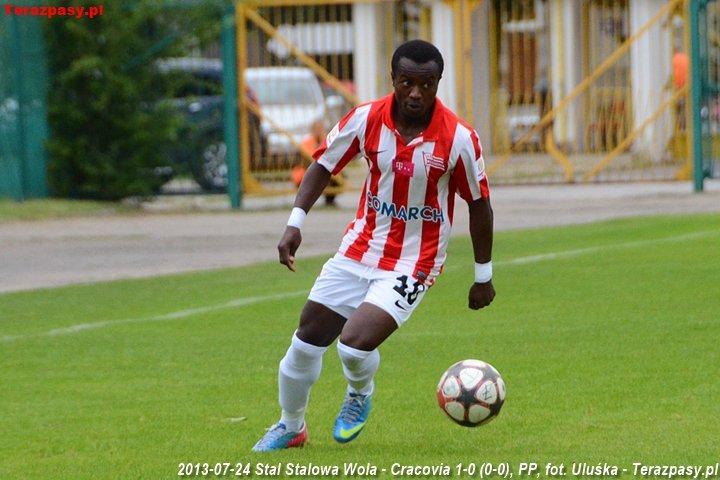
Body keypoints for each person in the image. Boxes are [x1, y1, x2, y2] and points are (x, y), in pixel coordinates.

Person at [252, 40, 495, 452]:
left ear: (438, 83)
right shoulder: (366, 119)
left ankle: (359, 393)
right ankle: (291, 427)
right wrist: (295, 223)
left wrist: (483, 276)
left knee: (353, 344)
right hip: (358, 249)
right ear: (393, 79)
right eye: (407, 82)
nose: (415, 93)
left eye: (426, 84)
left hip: (414, 261)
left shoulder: (459, 138)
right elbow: (322, 164)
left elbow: (479, 204)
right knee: (305, 341)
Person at [293, 119, 343, 207]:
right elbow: (308, 160)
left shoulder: (329, 141)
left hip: (325, 170)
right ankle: (303, 204)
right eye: (317, 129)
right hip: (306, 171)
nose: (319, 131)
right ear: (312, 130)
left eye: (321, 128)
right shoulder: (306, 143)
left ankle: (330, 200)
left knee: (338, 175)